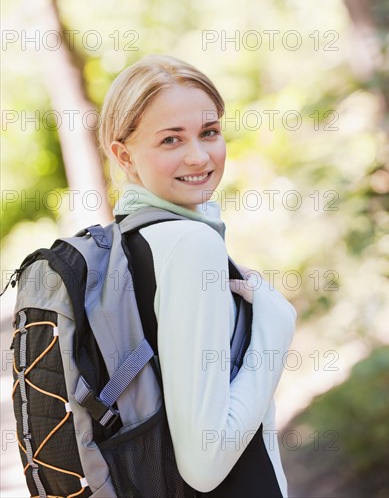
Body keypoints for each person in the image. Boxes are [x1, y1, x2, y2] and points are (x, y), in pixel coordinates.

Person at [98, 54, 297, 497]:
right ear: (124, 155)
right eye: (171, 140)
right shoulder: (192, 245)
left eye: (209, 133)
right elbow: (205, 462)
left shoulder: (129, 244)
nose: (198, 156)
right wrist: (275, 329)